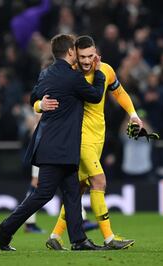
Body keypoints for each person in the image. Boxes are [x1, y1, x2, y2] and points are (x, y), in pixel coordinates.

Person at [0, 34, 106, 251]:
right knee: (43, 194)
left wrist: (40, 105)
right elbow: (96, 96)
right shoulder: (72, 77)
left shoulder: (46, 73)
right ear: (70, 52)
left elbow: (34, 96)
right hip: (60, 146)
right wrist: (98, 72)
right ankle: (3, 230)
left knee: (72, 193)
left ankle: (78, 240)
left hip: (52, 143)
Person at [38, 36, 138, 250]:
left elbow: (118, 92)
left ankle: (55, 236)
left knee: (80, 188)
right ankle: (109, 238)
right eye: (82, 56)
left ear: (96, 54)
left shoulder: (107, 70)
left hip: (97, 137)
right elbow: (43, 93)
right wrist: (39, 105)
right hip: (79, 138)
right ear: (75, 54)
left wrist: (133, 114)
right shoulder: (71, 74)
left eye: (90, 56)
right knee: (99, 182)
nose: (85, 61)